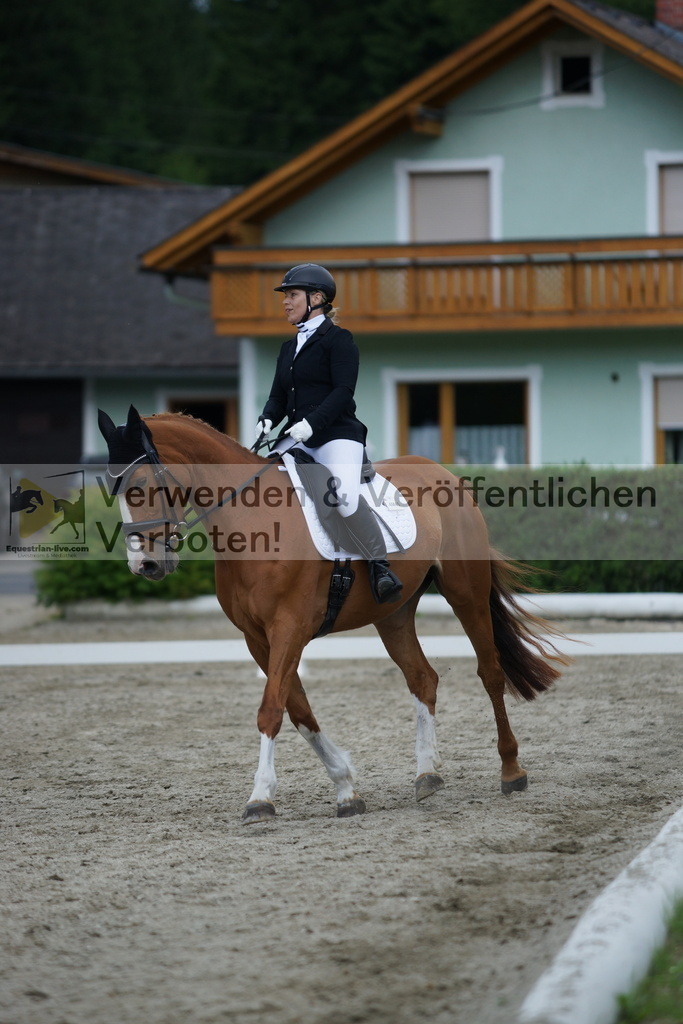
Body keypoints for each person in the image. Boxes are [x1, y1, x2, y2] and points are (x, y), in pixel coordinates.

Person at [255, 263, 402, 604]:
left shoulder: (339, 340)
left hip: (336, 435)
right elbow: (279, 396)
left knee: (346, 497)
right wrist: (266, 418)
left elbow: (343, 392)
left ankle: (381, 568)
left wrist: (312, 424)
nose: (286, 302)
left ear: (316, 298)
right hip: (296, 439)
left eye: (292, 295)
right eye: (285, 296)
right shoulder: (287, 348)